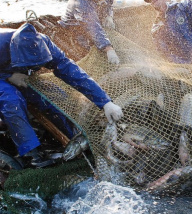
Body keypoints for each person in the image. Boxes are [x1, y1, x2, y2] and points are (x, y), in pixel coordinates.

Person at [0, 23, 123, 168]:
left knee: (54, 95)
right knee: (11, 100)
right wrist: (8, 76)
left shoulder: (44, 44)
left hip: (23, 75)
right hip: (4, 77)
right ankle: (31, 153)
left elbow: (72, 72)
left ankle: (75, 139)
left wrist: (105, 102)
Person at [59, 0, 119, 64]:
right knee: (87, 54)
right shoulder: (80, 0)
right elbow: (93, 26)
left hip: (94, 23)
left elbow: (109, 5)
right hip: (72, 30)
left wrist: (109, 16)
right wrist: (109, 49)